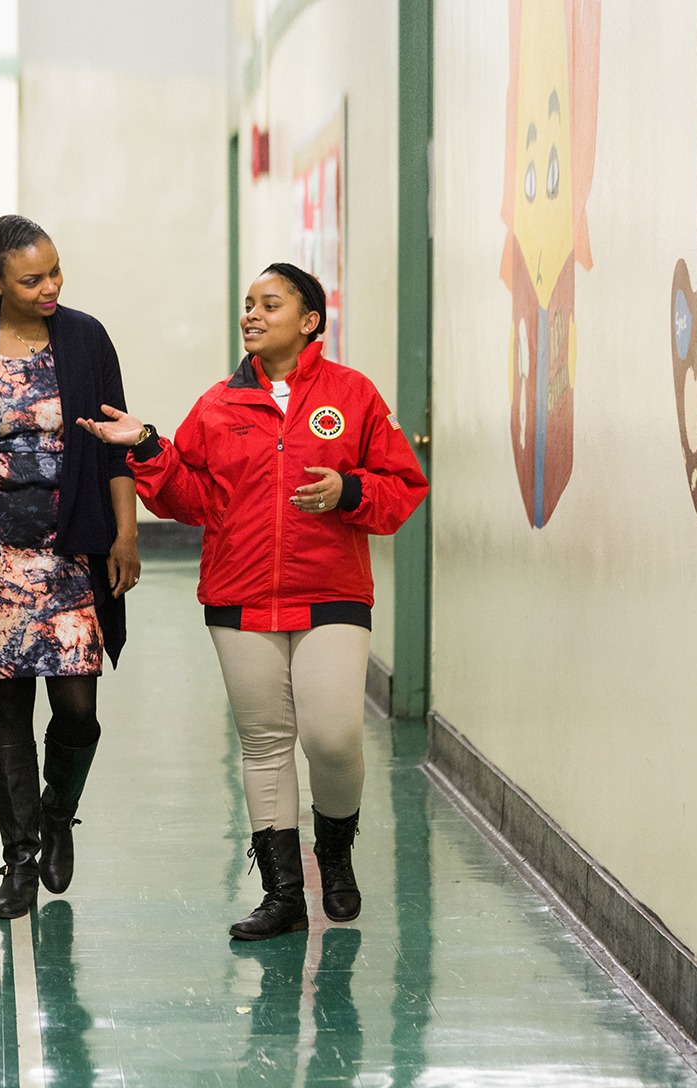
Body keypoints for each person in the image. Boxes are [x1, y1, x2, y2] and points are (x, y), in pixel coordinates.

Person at [78, 263, 427, 941]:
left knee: (333, 737)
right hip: (239, 594)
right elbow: (191, 498)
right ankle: (283, 893)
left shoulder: (353, 396)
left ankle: (334, 850)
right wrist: (150, 447)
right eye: (247, 305)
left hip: (331, 591)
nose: (252, 315)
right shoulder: (218, 405)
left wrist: (349, 492)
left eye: (270, 304)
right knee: (265, 743)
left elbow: (402, 486)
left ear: (310, 321)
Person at [0, 215, 139, 920]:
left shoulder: (86, 337)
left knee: (78, 707)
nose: (50, 287)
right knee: (7, 710)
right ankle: (19, 859)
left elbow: (114, 445)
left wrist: (126, 533)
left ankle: (58, 813)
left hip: (71, 554)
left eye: (55, 272)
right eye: (31, 278)